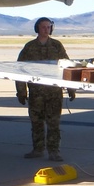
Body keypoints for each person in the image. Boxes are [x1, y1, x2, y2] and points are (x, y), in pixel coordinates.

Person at [15, 17, 72, 161]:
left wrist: (71, 88)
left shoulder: (57, 46)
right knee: (36, 122)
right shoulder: (29, 47)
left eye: (48, 27)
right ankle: (38, 149)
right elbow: (19, 69)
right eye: (43, 27)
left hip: (54, 92)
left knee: (54, 123)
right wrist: (21, 91)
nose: (46, 30)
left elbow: (67, 66)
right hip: (36, 93)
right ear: (37, 29)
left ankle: (54, 152)